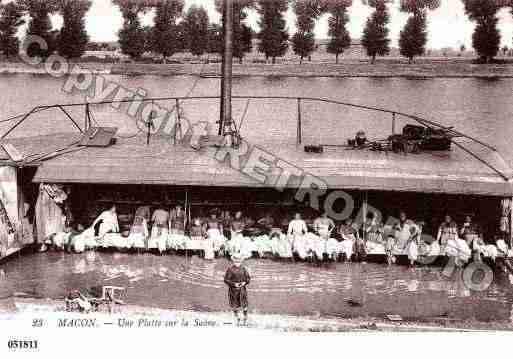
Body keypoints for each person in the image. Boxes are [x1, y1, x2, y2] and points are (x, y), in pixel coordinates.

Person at [224, 256, 251, 326]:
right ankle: (237, 317)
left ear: (241, 261)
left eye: (239, 261)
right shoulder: (230, 269)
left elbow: (248, 278)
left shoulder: (244, 269)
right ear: (233, 261)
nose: (237, 263)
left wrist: (244, 283)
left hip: (242, 290)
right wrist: (234, 284)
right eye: (236, 261)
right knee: (234, 305)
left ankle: (245, 317)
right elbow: (226, 280)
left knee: (244, 304)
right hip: (233, 291)